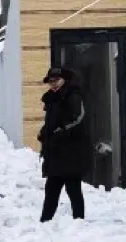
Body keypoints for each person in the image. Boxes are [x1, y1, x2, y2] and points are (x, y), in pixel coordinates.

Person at [37, 67, 88, 222]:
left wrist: (60, 132)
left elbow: (77, 117)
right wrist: (44, 132)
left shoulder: (72, 94)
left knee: (73, 189)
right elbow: (52, 121)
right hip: (55, 152)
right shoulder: (52, 98)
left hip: (70, 152)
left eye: (56, 80)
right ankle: (45, 222)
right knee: (51, 189)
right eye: (50, 81)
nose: (53, 84)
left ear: (64, 79)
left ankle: (79, 221)